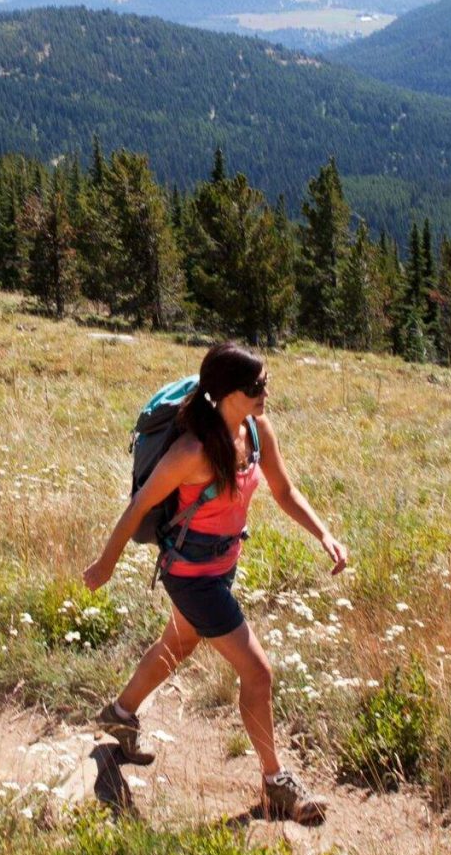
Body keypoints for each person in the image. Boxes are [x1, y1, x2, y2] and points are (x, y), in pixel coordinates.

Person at [82, 341, 350, 824]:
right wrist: (106, 563)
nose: (265, 392)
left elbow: (284, 491)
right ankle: (276, 785)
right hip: (191, 576)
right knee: (259, 672)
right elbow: (139, 506)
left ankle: (119, 717)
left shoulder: (255, 428)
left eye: (264, 383)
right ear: (227, 393)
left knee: (178, 643)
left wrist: (324, 534)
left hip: (221, 567)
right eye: (256, 387)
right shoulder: (192, 452)